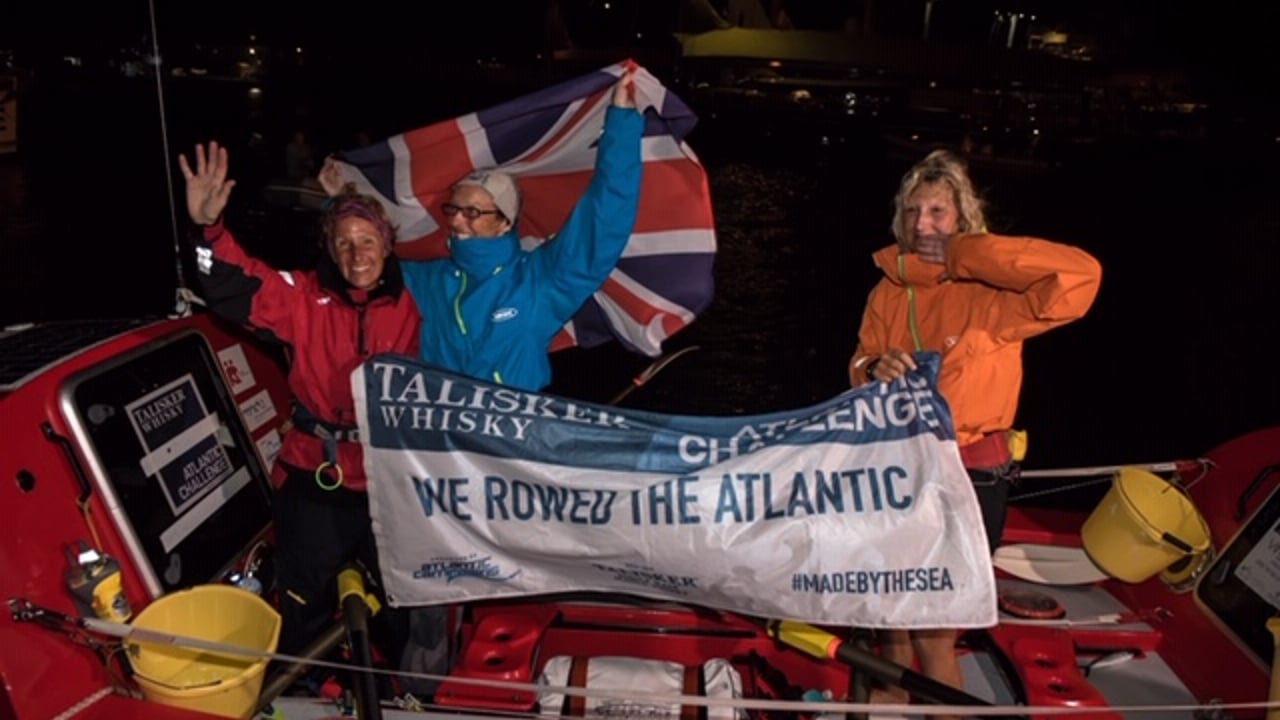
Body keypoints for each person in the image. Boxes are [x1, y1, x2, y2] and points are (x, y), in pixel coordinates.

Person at [846, 149, 1101, 707]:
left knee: (935, 626)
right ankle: (892, 693)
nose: (923, 224)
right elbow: (861, 360)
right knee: (892, 599)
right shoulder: (888, 289)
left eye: (938, 212)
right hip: (902, 464)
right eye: (913, 211)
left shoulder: (996, 293)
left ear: (962, 217)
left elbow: (1081, 276)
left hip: (972, 473)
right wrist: (873, 367)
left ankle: (943, 709)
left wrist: (965, 253)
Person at [179, 141, 420, 669]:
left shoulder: (417, 299)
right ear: (329, 249)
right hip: (316, 477)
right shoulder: (302, 298)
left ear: (387, 245)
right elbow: (229, 283)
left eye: (367, 240)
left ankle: (397, 686)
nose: (357, 254)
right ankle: (299, 683)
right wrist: (208, 230)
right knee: (303, 598)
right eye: (344, 243)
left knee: (398, 603)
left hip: (391, 481)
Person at [319, 68, 642, 392]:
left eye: (472, 212)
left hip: (508, 422)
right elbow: (364, 261)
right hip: (435, 421)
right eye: (453, 209)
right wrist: (341, 202)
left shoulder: (538, 280)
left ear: (505, 222)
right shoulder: (429, 279)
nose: (457, 221)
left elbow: (603, 223)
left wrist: (622, 124)